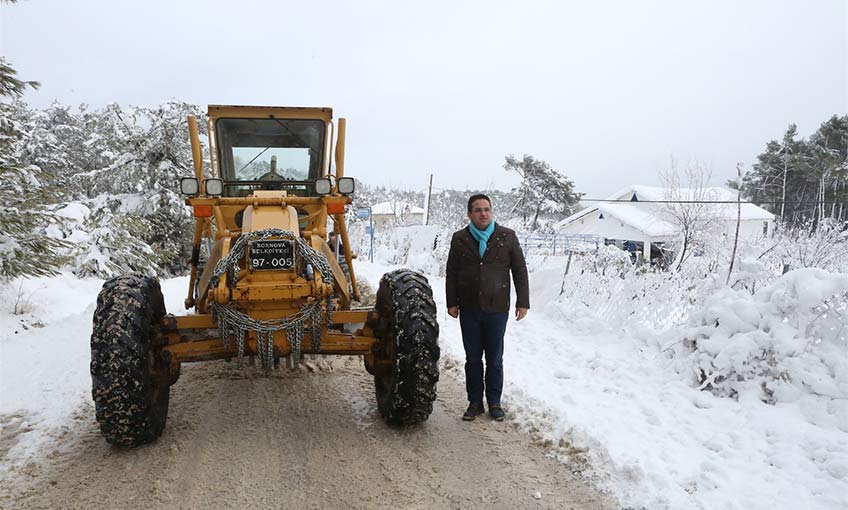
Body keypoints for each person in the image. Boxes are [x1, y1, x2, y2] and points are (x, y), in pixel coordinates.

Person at [446, 194, 529, 421]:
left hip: (497, 308)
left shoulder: (507, 236)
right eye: (478, 210)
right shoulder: (460, 238)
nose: (483, 213)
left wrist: (523, 302)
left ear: (491, 212)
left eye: (487, 209)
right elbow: (451, 271)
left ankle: (494, 402)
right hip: (470, 308)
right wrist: (451, 302)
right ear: (469, 214)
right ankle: (474, 402)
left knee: (494, 358)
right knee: (472, 358)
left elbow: (519, 270)